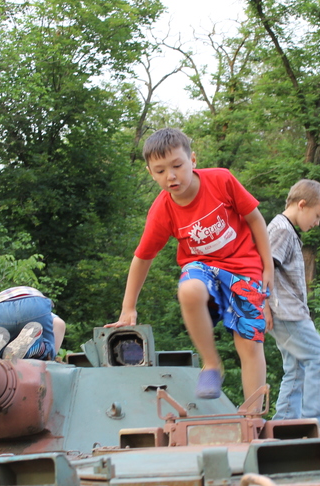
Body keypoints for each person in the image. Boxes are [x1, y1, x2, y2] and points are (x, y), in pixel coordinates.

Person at [106, 128, 274, 401]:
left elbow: (255, 219)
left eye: (177, 166)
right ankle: (212, 364)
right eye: (160, 171)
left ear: (192, 160)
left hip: (244, 267)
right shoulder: (162, 210)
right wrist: (128, 307)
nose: (171, 176)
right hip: (202, 267)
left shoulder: (221, 180)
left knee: (249, 344)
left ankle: (253, 415)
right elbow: (143, 257)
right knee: (189, 289)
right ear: (151, 173)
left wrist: (268, 267)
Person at [267, 179, 320, 432]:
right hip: (286, 312)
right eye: (317, 216)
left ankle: (285, 426)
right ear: (302, 205)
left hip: (289, 311)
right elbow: (263, 268)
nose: (317, 223)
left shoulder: (286, 230)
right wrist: (262, 306)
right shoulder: (282, 230)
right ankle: (313, 422)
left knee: (296, 369)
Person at [0, 286, 66, 360]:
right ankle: (37, 346)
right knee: (48, 353)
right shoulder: (49, 313)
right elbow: (59, 323)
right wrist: (50, 356)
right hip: (34, 305)